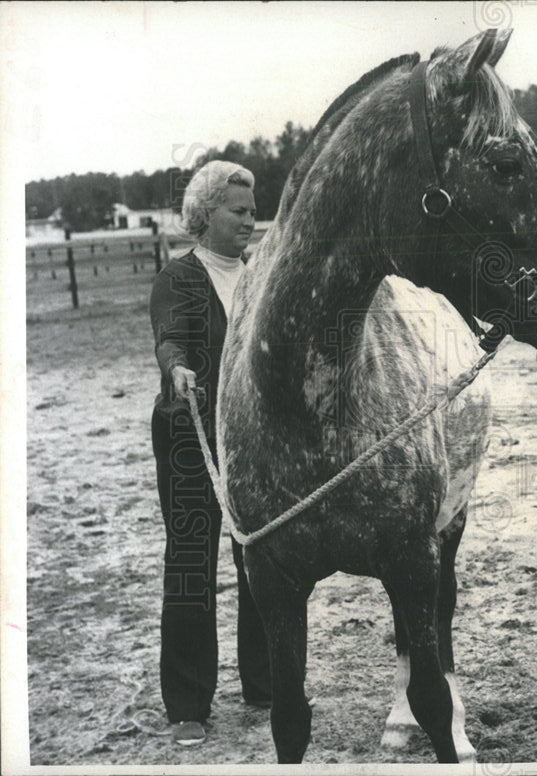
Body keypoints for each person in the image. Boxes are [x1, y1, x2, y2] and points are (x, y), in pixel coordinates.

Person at [149, 160, 270, 746]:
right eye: (239, 211)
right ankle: (188, 705)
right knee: (192, 565)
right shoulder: (180, 278)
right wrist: (176, 369)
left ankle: (265, 682)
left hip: (248, 438)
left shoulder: (260, 276)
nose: (251, 220)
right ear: (205, 214)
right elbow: (170, 336)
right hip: (189, 437)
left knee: (259, 557)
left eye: (252, 211)